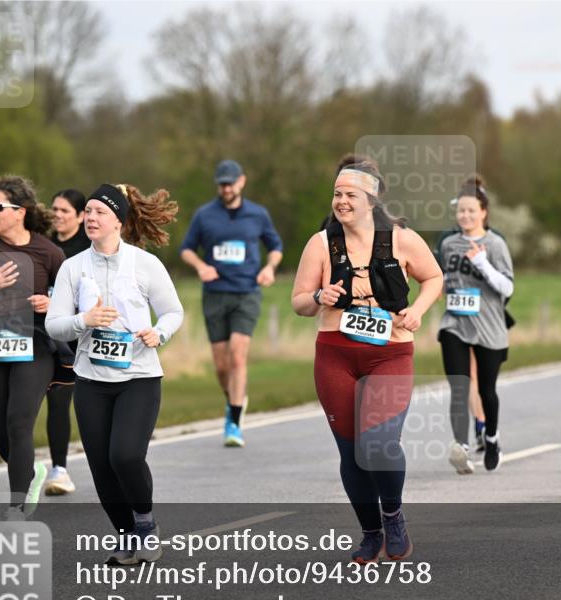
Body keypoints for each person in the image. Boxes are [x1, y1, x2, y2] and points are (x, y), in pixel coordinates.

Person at [292, 155, 442, 564]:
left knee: (379, 443)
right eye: (337, 194)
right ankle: (371, 533)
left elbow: (434, 277)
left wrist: (419, 310)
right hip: (335, 356)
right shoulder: (321, 243)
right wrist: (318, 297)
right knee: (351, 451)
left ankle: (393, 517)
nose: (341, 201)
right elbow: (299, 302)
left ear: (371, 200)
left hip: (390, 354)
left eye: (350, 195)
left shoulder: (402, 239)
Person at [47, 183, 183, 565]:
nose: (90, 218)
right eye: (88, 211)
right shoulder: (73, 267)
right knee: (102, 467)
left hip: (139, 377)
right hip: (91, 381)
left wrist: (159, 333)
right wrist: (84, 320)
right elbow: (54, 324)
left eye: (99, 212)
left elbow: (173, 312)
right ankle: (125, 535)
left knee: (125, 456)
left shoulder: (145, 264)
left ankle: (146, 525)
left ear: (119, 221)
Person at [0, 176, 65, 516]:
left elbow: (70, 301)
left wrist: (52, 304)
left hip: (35, 345)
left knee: (19, 422)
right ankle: (31, 472)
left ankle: (16, 507)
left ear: (21, 211)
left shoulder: (49, 252)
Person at [179, 160, 283, 447]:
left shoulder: (258, 214)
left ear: (242, 182)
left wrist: (269, 268)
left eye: (230, 183)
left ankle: (234, 423)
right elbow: (186, 249)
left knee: (238, 356)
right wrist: (201, 266)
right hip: (215, 294)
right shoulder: (204, 215)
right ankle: (234, 399)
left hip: (246, 292)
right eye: (222, 184)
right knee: (222, 365)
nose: (226, 188)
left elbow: (275, 247)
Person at [437, 176, 514, 473]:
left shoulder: (495, 244)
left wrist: (483, 264)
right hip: (455, 323)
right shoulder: (449, 244)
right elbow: (443, 278)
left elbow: (507, 287)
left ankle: (491, 438)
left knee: (486, 390)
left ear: (483, 212)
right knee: (459, 386)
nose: (465, 216)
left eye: (471, 210)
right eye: (461, 211)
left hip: (489, 326)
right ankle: (462, 446)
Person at [44, 189, 91, 495]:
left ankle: (111, 459)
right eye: (55, 209)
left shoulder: (89, 248)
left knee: (87, 405)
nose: (57, 215)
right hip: (49, 334)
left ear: (81, 216)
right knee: (57, 400)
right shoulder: (43, 244)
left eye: (64, 211)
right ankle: (59, 470)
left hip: (83, 337)